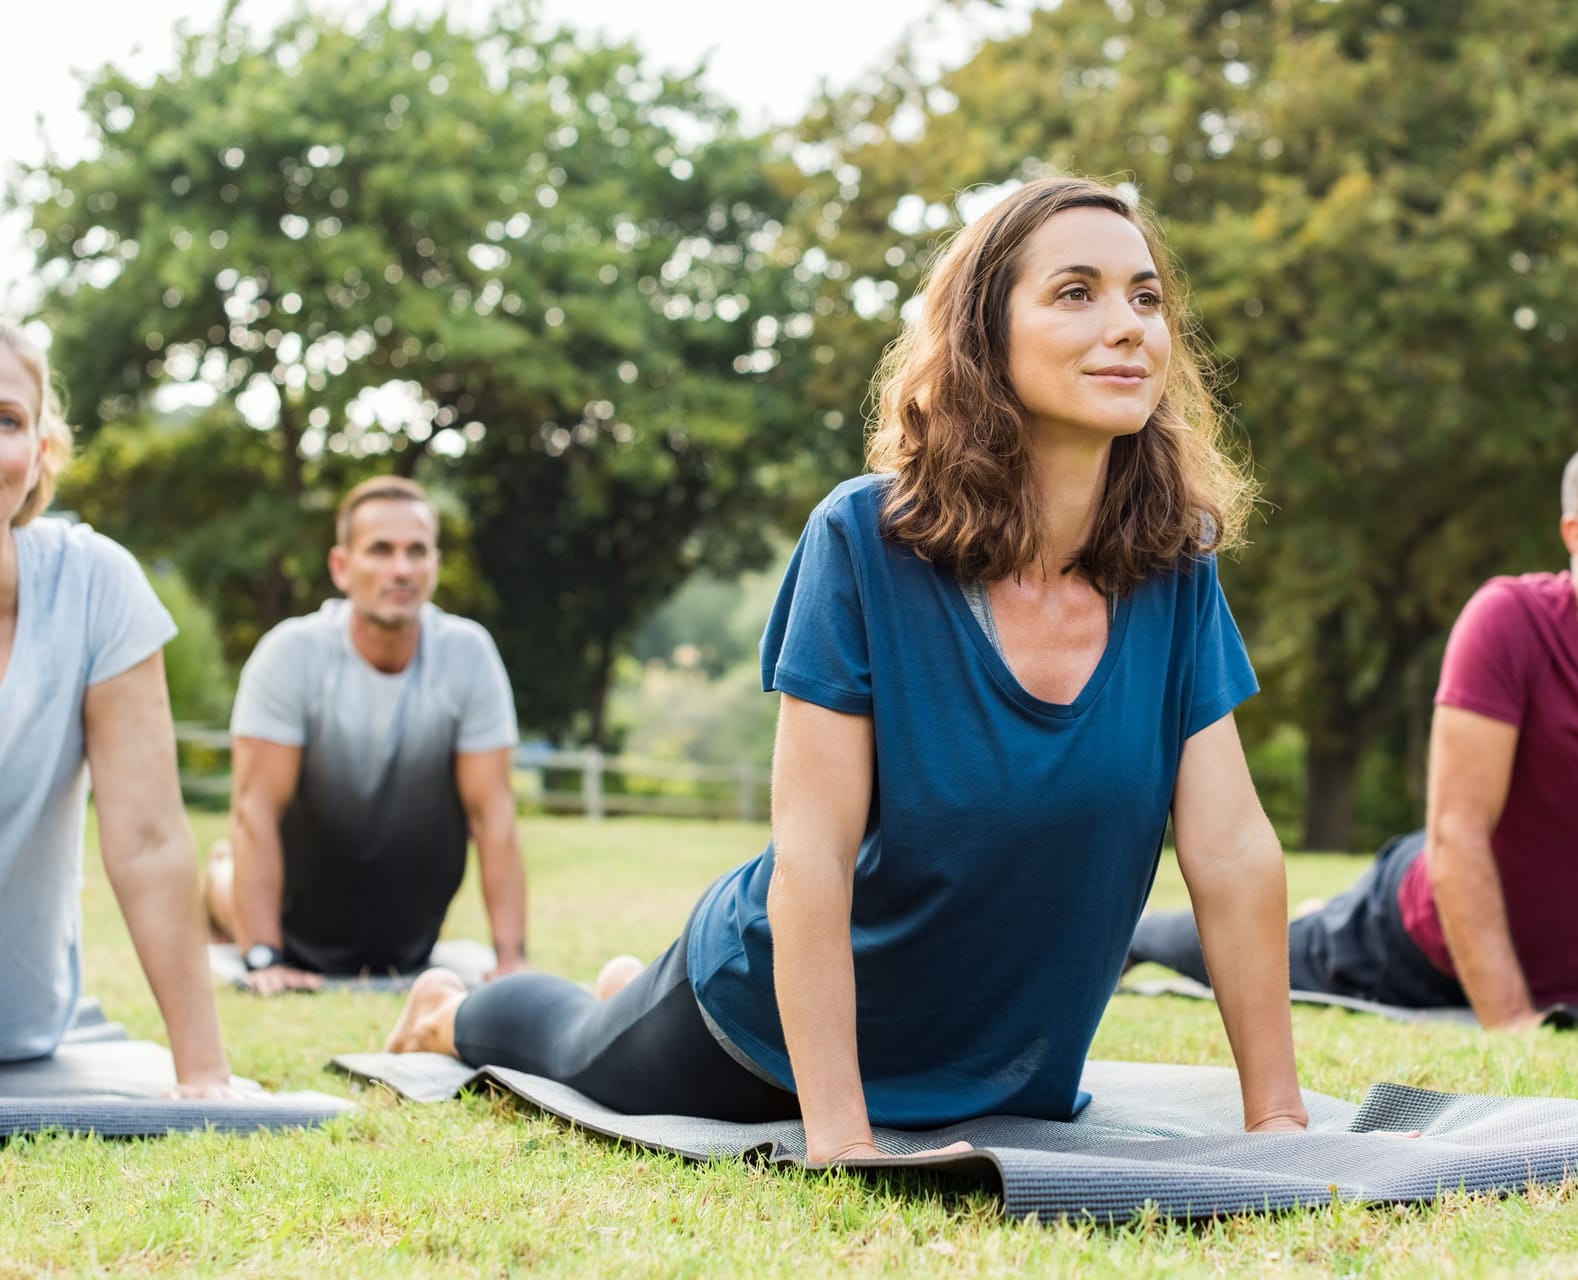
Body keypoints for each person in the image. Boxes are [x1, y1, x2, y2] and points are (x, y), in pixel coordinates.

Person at [385, 175, 1309, 1160]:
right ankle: (448, 1009)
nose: (1128, 325)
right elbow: (812, 858)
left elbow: (1232, 850)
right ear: (984, 336)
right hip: (763, 1035)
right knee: (571, 1045)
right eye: (1075, 292)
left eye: (1146, 296)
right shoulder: (864, 540)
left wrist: (1280, 1119)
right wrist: (839, 1133)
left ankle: (624, 981)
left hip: (997, 1061)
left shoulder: (1173, 570)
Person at [1130, 427, 1578, 1032]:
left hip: (1544, 960)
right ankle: (1137, 937)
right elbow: (1457, 833)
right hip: (1408, 942)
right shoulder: (1508, 620)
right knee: (1249, 950)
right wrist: (1513, 1022)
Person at [0, 321, 243, 1093]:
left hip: (18, 1026)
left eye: (5, 420)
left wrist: (203, 1073)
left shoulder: (95, 585)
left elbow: (147, 838)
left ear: (41, 450)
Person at [204, 476, 530, 994]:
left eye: (416, 551)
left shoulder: (469, 655)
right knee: (229, 873)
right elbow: (255, 809)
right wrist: (263, 956)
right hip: (294, 915)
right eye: (380, 550)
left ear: (435, 566)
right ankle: (220, 880)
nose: (401, 569)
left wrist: (510, 958)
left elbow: (494, 812)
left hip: (404, 935)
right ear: (341, 567)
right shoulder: (290, 655)